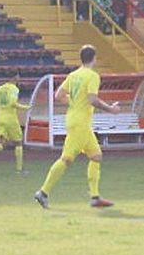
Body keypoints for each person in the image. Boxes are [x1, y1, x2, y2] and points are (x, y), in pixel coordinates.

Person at [34, 45, 120, 209]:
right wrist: (111, 109)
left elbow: (58, 95)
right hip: (81, 123)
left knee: (96, 156)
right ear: (94, 58)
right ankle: (43, 192)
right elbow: (93, 99)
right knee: (66, 159)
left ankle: (95, 197)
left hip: (76, 120)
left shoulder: (73, 75)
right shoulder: (92, 76)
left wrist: (73, 102)